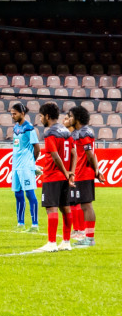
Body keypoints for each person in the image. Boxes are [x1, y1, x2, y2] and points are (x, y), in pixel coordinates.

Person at [34, 101, 75, 252]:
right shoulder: (66, 131)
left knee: (51, 209)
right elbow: (73, 153)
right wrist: (70, 173)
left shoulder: (50, 132)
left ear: (47, 116)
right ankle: (66, 242)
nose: (40, 119)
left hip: (52, 175)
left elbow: (55, 155)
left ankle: (51, 243)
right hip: (64, 176)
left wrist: (65, 172)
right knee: (65, 208)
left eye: (40, 116)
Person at [67, 105, 97, 247]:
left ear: (77, 118)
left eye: (71, 116)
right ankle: (87, 236)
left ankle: (90, 239)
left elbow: (90, 154)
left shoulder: (83, 133)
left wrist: (96, 171)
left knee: (86, 206)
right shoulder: (83, 132)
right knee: (84, 206)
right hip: (81, 174)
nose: (69, 119)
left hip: (84, 174)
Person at [10, 102, 41, 232]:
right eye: (11, 114)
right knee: (18, 194)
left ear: (22, 113)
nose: (12, 116)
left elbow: (37, 147)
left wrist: (31, 163)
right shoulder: (16, 127)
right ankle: (20, 223)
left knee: (29, 193)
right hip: (16, 166)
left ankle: (35, 224)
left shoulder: (29, 128)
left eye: (14, 113)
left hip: (25, 166)